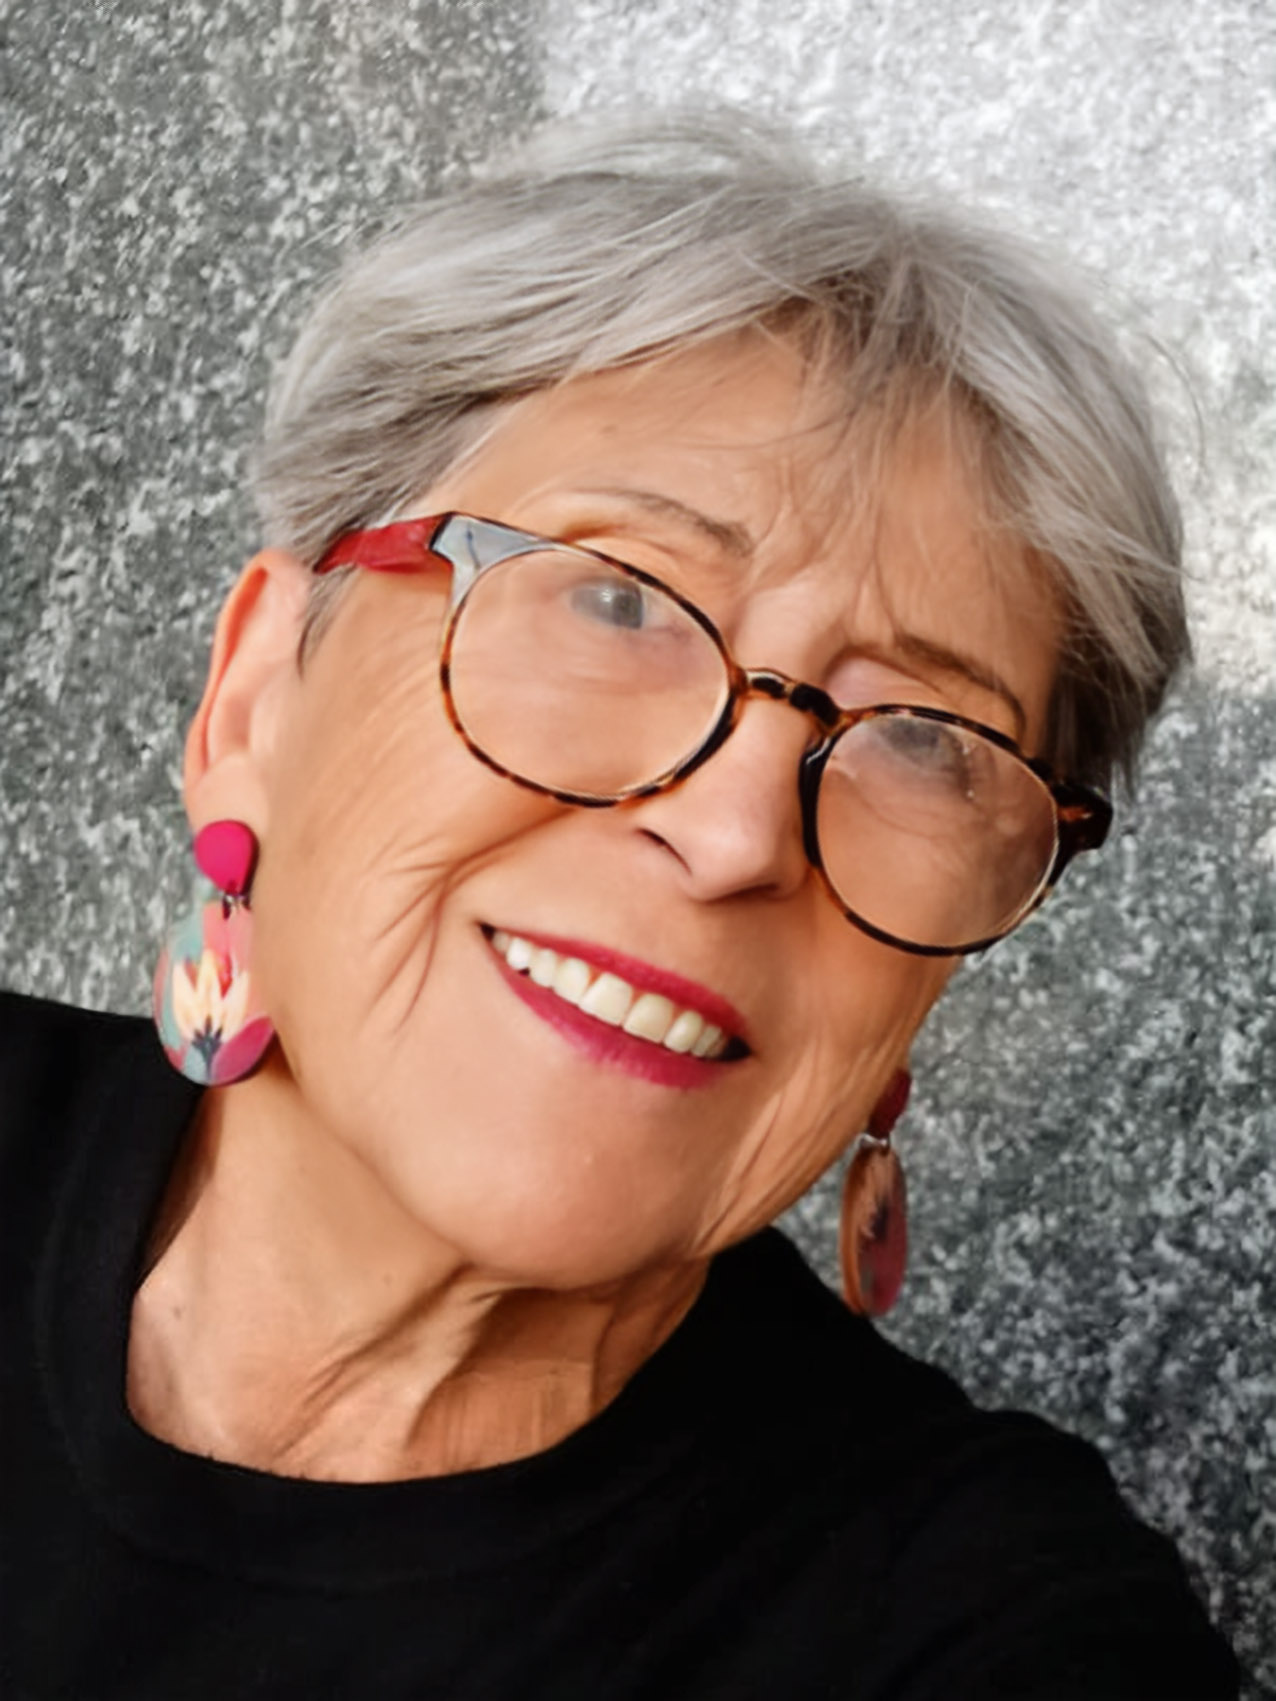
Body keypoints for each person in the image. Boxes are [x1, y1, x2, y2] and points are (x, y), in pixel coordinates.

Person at [1, 113, 1240, 1698]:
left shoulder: (983, 1628)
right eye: (616, 598)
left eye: (927, 741)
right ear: (256, 697)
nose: (733, 831)